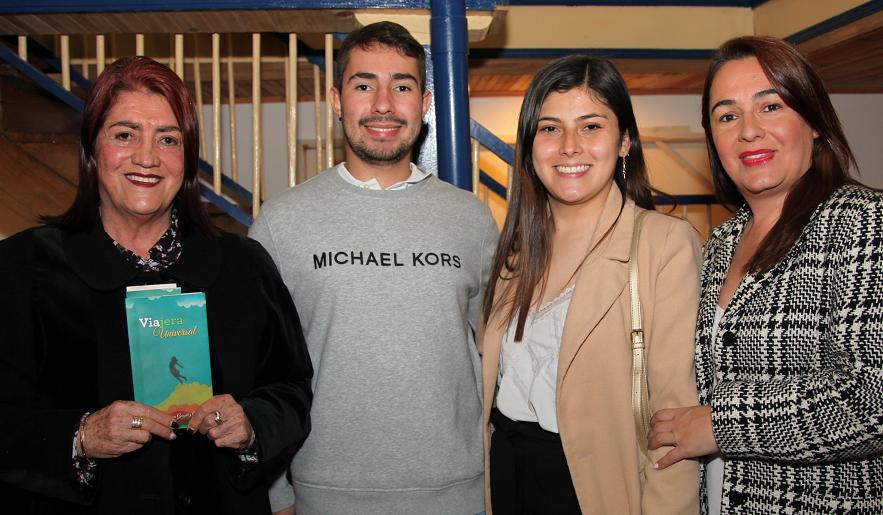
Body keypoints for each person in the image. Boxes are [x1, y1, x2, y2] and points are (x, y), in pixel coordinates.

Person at [0, 56, 313, 515]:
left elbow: (291, 388)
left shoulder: (243, 266)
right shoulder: (24, 269)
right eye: (125, 135)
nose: (147, 158)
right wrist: (81, 437)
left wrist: (251, 425)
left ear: (187, 159)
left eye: (168, 139)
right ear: (92, 147)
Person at [249, 22, 497, 515]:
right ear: (336, 100)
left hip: (459, 494)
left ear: (425, 103)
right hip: (324, 496)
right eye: (364, 85)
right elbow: (258, 369)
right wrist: (276, 494)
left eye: (401, 87)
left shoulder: (472, 219)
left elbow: (496, 356)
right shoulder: (280, 222)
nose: (383, 104)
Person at [648, 36, 883, 514]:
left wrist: (722, 425)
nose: (748, 131)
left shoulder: (863, 222)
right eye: (727, 116)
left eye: (770, 106)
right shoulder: (719, 244)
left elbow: (872, 401)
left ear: (814, 121)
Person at [479, 55, 700, 514]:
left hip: (594, 489)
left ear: (624, 141)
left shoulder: (663, 245)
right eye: (550, 128)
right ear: (530, 143)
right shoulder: (515, 252)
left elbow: (675, 416)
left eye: (591, 127)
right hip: (507, 478)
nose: (569, 147)